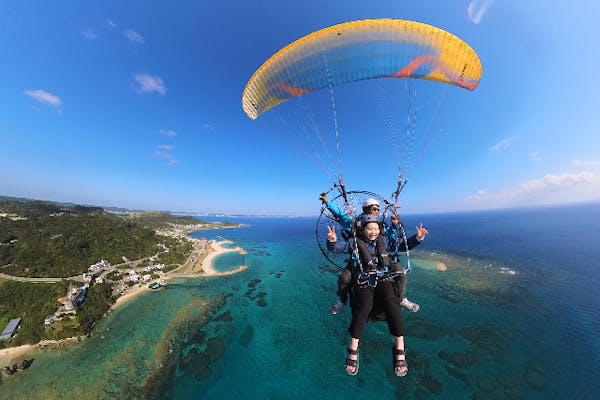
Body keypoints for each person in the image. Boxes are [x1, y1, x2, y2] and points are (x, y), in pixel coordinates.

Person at [326, 215, 428, 376]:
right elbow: (337, 248)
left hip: (382, 278)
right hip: (364, 279)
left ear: (379, 230)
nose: (373, 232)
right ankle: (353, 347)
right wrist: (332, 241)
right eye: (369, 228)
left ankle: (399, 346)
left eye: (376, 228)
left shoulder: (384, 242)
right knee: (364, 305)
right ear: (363, 229)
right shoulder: (354, 242)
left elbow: (401, 246)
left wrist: (418, 238)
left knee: (391, 301)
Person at [320, 194, 421, 314]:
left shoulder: (381, 224)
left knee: (400, 274)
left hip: (380, 256)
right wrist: (328, 202)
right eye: (374, 208)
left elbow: (392, 242)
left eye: (378, 209)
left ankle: (402, 299)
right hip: (360, 257)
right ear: (365, 209)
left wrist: (404, 232)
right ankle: (342, 300)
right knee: (344, 278)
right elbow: (340, 215)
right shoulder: (355, 223)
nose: (376, 211)